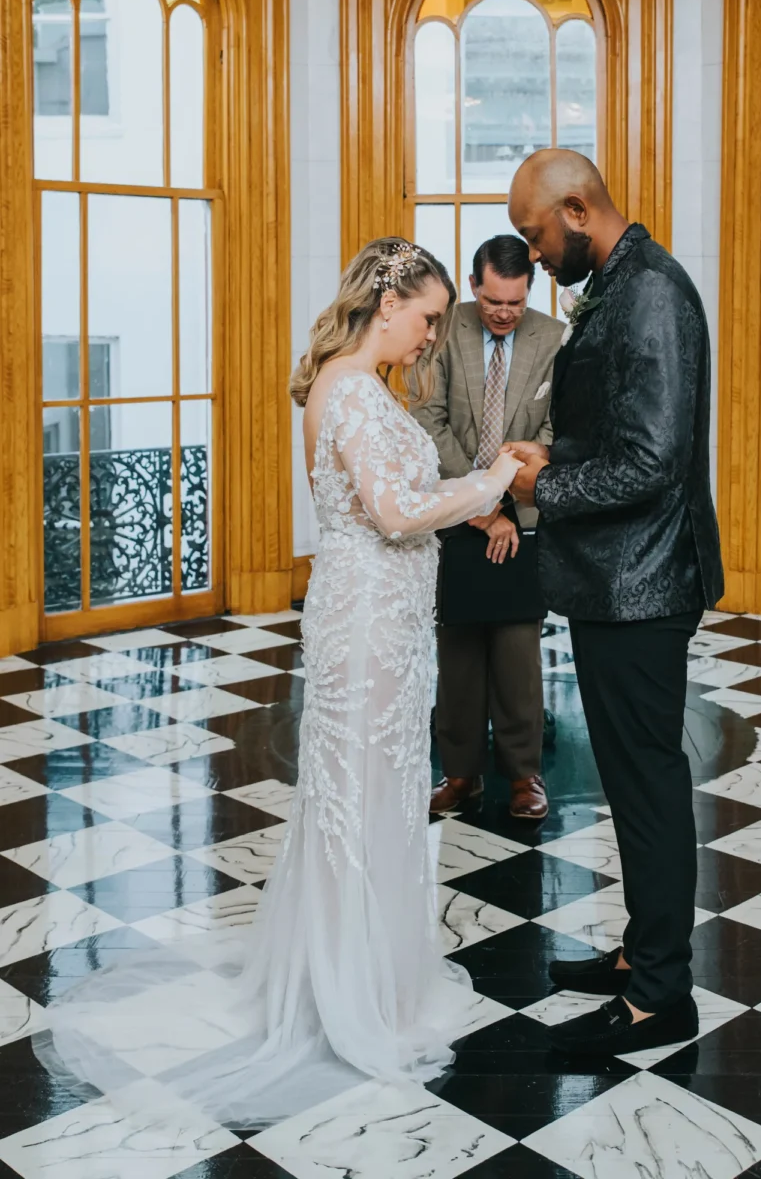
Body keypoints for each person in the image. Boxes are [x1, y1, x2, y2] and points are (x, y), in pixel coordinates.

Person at [35, 239, 522, 1128]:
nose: (429, 337)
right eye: (424, 319)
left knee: (377, 790)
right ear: (389, 305)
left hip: (389, 616)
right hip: (368, 619)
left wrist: (473, 492)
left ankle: (365, 973)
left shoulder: (362, 389)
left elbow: (404, 500)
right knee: (361, 790)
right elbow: (393, 512)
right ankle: (345, 995)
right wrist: (491, 478)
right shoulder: (348, 390)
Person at [505, 149, 724, 1059]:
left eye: (536, 233)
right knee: (636, 784)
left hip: (643, 587)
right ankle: (644, 954)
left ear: (579, 209)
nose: (534, 253)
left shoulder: (653, 294)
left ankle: (662, 998)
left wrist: (544, 483)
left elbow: (650, 462)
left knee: (647, 787)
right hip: (614, 584)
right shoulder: (619, 284)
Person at [413, 235, 564, 821]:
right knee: (458, 653)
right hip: (455, 515)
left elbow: (556, 430)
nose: (505, 313)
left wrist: (507, 503)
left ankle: (525, 775)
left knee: (518, 651)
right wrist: (477, 506)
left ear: (529, 290)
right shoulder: (444, 329)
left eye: (516, 303)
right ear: (475, 288)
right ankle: (459, 774)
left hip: (523, 520)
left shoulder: (552, 338)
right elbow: (428, 419)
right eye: (495, 301)